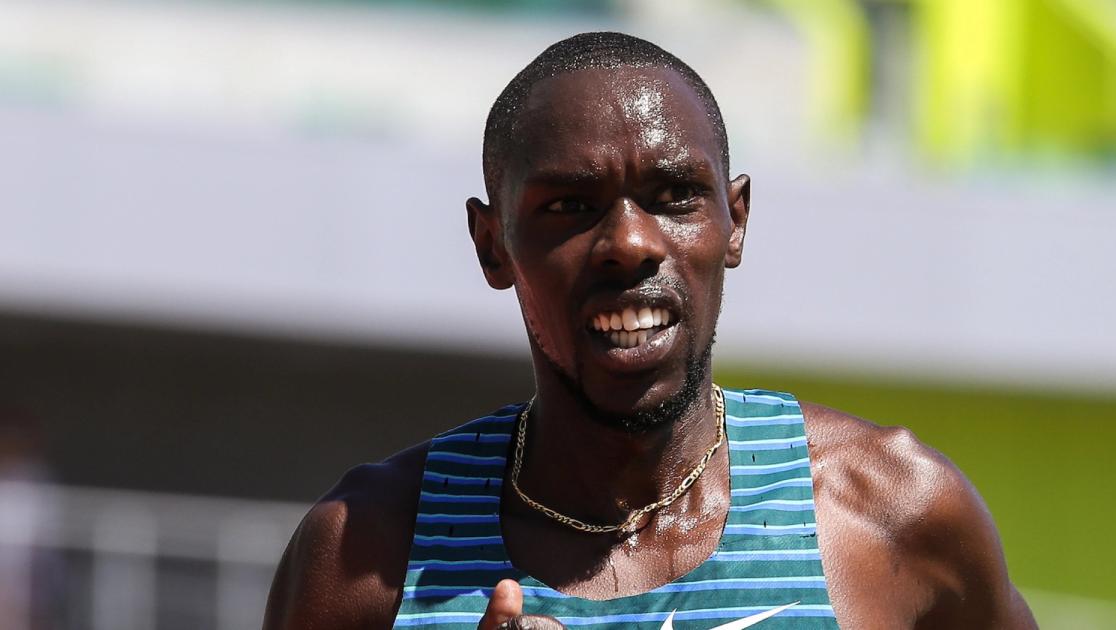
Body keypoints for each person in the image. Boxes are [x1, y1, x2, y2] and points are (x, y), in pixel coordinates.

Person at [264, 32, 1037, 630]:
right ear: (493, 244)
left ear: (734, 221)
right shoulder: (365, 554)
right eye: (570, 205)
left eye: (674, 195)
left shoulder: (897, 514)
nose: (630, 243)